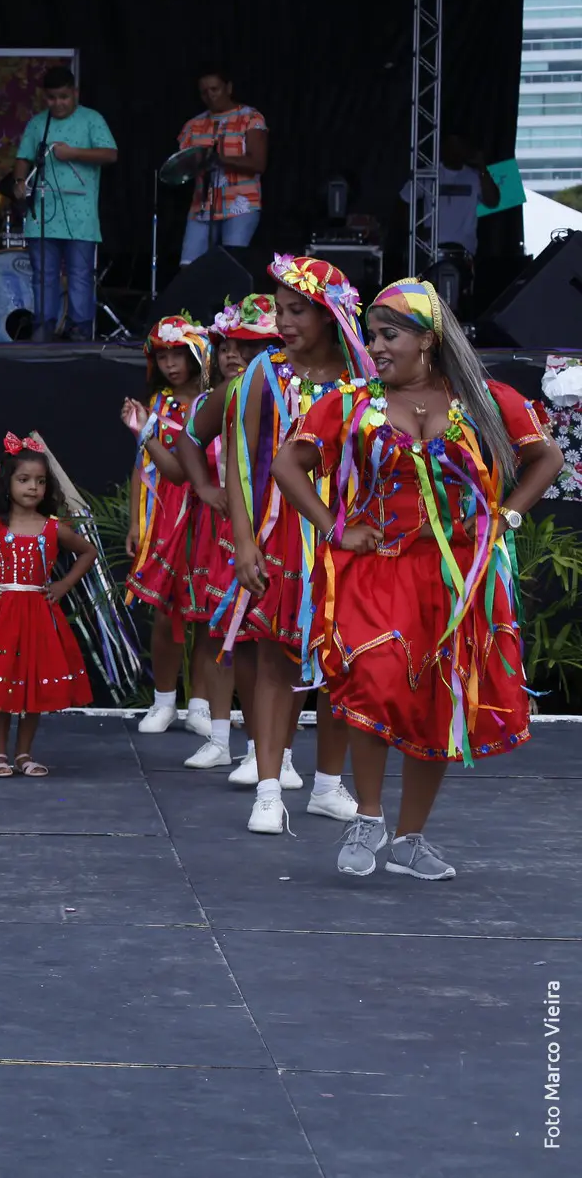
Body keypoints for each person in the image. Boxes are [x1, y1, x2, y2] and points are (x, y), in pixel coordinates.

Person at [272, 279, 560, 879]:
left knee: (439, 697)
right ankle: (369, 816)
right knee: (375, 679)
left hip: (458, 578)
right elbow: (286, 465)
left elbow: (546, 457)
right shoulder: (350, 403)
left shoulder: (483, 399)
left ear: (428, 341)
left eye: (389, 335)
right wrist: (334, 528)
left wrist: (505, 516)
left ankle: (410, 839)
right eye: (373, 335)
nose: (375, 347)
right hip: (378, 568)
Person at [224, 255, 369, 835]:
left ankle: (330, 787)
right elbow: (237, 459)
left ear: (330, 314)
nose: (284, 322)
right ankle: (267, 789)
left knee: (344, 663)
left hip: (348, 532)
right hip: (280, 532)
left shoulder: (364, 375)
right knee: (277, 661)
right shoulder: (265, 371)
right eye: (280, 310)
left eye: (296, 310)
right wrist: (241, 541)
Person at [172, 293, 281, 771]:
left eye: (246, 346)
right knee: (219, 633)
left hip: (287, 529)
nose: (233, 355)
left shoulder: (299, 388)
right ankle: (219, 735)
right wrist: (204, 485)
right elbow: (188, 438)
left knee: (273, 639)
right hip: (229, 528)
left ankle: (268, 752)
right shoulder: (222, 395)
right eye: (225, 345)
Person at [0, 437, 98, 777]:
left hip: (38, 616)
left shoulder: (53, 528)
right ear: (7, 483)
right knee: (0, 684)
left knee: (35, 683)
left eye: (41, 481)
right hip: (0, 615)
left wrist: (63, 584)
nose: (33, 487)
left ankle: (24, 754)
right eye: (24, 479)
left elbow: (88, 552)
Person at [117, 316, 209, 738]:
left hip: (210, 511)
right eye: (164, 356)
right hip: (165, 515)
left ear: (197, 355)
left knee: (210, 611)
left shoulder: (216, 401)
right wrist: (139, 520)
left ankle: (204, 706)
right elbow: (143, 464)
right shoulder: (158, 406)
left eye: (179, 355)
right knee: (165, 611)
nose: (171, 364)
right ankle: (164, 701)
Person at [12, 66, 118, 342]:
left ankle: (79, 330)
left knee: (79, 275)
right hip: (43, 214)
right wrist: (20, 181)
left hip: (80, 215)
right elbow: (23, 157)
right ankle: (43, 327)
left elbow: (110, 154)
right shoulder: (38, 124)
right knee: (43, 275)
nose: (57, 103)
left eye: (63, 97)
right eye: (51, 98)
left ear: (75, 94)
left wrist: (74, 153)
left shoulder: (92, 119)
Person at [177, 65, 268, 263]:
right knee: (189, 267)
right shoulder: (193, 125)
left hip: (240, 205)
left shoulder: (250, 117)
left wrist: (219, 158)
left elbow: (259, 163)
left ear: (229, 88)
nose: (210, 96)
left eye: (215, 89)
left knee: (231, 266)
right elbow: (183, 166)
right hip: (202, 206)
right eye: (204, 92)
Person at [399, 135, 500, 259]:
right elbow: (403, 200)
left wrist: (482, 167)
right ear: (443, 148)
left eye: (458, 147)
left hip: (464, 250)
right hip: (431, 250)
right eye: (451, 146)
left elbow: (493, 202)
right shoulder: (429, 174)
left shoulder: (475, 177)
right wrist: (415, 229)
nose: (455, 151)